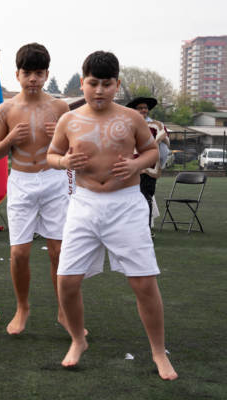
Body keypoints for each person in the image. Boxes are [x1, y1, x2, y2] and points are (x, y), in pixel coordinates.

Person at [47, 51, 177, 380]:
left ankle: (158, 352)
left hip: (126, 204)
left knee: (144, 282)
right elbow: (52, 155)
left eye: (107, 84)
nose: (100, 90)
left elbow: (151, 151)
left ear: (117, 85)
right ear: (82, 83)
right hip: (84, 204)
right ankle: (78, 339)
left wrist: (135, 164)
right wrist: (64, 163)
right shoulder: (69, 120)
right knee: (66, 281)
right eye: (93, 83)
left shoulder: (132, 118)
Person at [0, 43, 73, 335]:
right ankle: (22, 307)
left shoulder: (60, 108)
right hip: (21, 181)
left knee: (58, 250)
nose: (33, 79)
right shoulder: (5, 109)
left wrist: (60, 137)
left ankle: (64, 310)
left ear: (47, 74)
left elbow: (73, 149)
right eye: (27, 73)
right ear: (17, 75)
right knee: (19, 253)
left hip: (54, 179)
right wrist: (10, 137)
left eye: (39, 73)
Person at [125, 97, 170, 234]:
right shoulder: (127, 124)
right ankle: (135, 230)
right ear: (134, 110)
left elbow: (164, 151)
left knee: (143, 199)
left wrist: (157, 164)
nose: (144, 110)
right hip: (129, 169)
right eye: (140, 108)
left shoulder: (157, 125)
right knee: (130, 199)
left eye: (145, 108)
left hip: (145, 170)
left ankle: (143, 231)